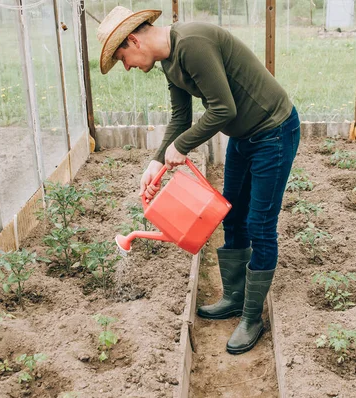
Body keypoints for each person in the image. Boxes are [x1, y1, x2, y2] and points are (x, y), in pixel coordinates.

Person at [97, 6, 300, 355]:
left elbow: (224, 109)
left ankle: (252, 317)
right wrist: (156, 159)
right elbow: (181, 116)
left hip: (273, 131)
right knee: (233, 215)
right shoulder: (168, 62)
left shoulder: (192, 44)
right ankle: (235, 297)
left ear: (133, 39)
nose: (128, 66)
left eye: (123, 57)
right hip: (243, 137)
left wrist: (183, 145)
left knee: (260, 224)